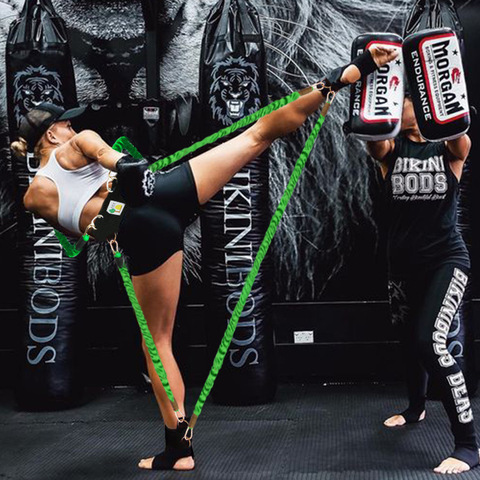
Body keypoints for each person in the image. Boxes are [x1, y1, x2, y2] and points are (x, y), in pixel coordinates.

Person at [11, 45, 396, 472]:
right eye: (64, 122)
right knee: (257, 135)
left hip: (142, 229)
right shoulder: (79, 141)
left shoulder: (33, 197)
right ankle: (348, 73)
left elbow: (94, 232)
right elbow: (121, 165)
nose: (72, 125)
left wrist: (118, 197)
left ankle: (178, 451)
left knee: (156, 343)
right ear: (51, 134)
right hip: (163, 197)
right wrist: (124, 176)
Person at [367, 95, 478, 474]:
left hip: (446, 262)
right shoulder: (389, 150)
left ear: (423, 108)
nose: (398, 107)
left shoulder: (448, 149)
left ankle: (467, 444)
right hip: (401, 266)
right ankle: (415, 408)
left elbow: (462, 139)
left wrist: (443, 94)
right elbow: (373, 138)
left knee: (429, 341)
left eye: (405, 102)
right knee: (407, 343)